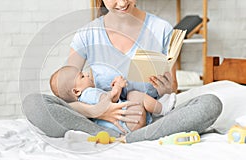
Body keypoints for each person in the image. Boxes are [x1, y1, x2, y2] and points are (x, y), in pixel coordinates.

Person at [23, 0, 222, 143]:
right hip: (99, 123)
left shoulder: (161, 29)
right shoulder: (87, 34)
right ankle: (107, 135)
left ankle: (136, 137)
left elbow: (172, 90)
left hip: (150, 119)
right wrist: (97, 111)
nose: (122, 3)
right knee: (34, 104)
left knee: (210, 104)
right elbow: (68, 94)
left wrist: (166, 88)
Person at [49, 65, 176, 133]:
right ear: (76, 91)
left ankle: (156, 108)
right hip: (129, 120)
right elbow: (110, 100)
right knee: (134, 95)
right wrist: (118, 86)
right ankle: (163, 108)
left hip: (128, 126)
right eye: (82, 76)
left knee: (133, 98)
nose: (87, 74)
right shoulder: (89, 93)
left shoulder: (83, 101)